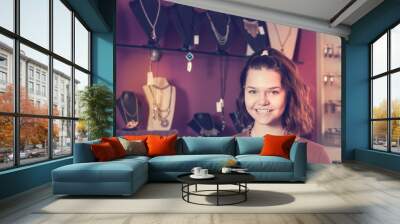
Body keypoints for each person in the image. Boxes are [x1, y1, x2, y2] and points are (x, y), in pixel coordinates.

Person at [236, 48, 331, 163]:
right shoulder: (226, 150)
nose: (262, 101)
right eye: (253, 91)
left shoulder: (316, 155)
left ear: (289, 94)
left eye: (273, 92)